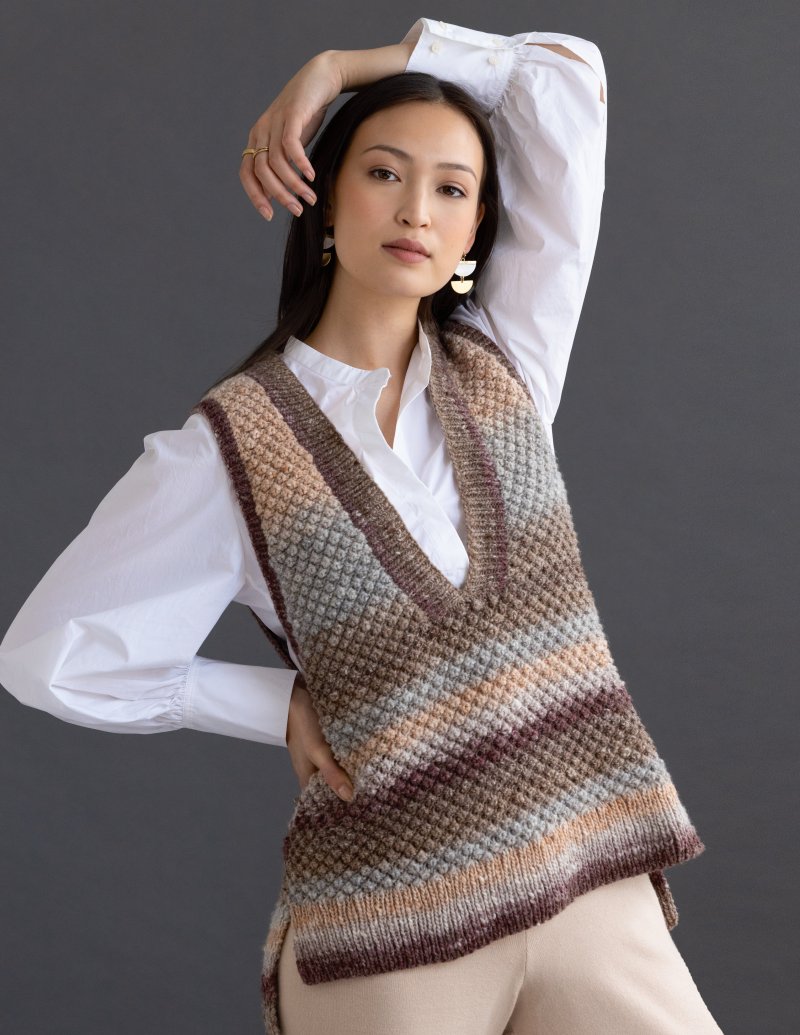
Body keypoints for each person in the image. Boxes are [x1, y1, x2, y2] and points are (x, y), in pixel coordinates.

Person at [0, 16, 724, 1035]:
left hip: (588, 888)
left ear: (476, 230)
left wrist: (347, 66)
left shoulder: (507, 360)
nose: (417, 210)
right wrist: (280, 705)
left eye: (451, 189)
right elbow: (49, 655)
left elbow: (564, 77)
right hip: (390, 927)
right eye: (384, 173)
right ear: (328, 198)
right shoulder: (228, 447)